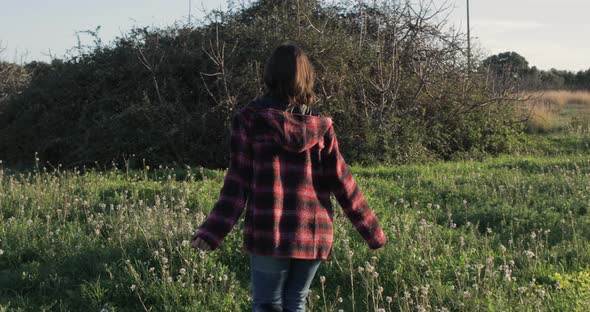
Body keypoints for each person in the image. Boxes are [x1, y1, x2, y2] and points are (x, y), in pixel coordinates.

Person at [191, 44, 387, 312]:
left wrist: (212, 232)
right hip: (313, 232)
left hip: (268, 231)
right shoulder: (321, 127)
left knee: (267, 304)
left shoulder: (249, 120)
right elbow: (343, 183)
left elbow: (237, 183)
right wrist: (372, 231)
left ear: (269, 75)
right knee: (296, 303)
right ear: (306, 79)